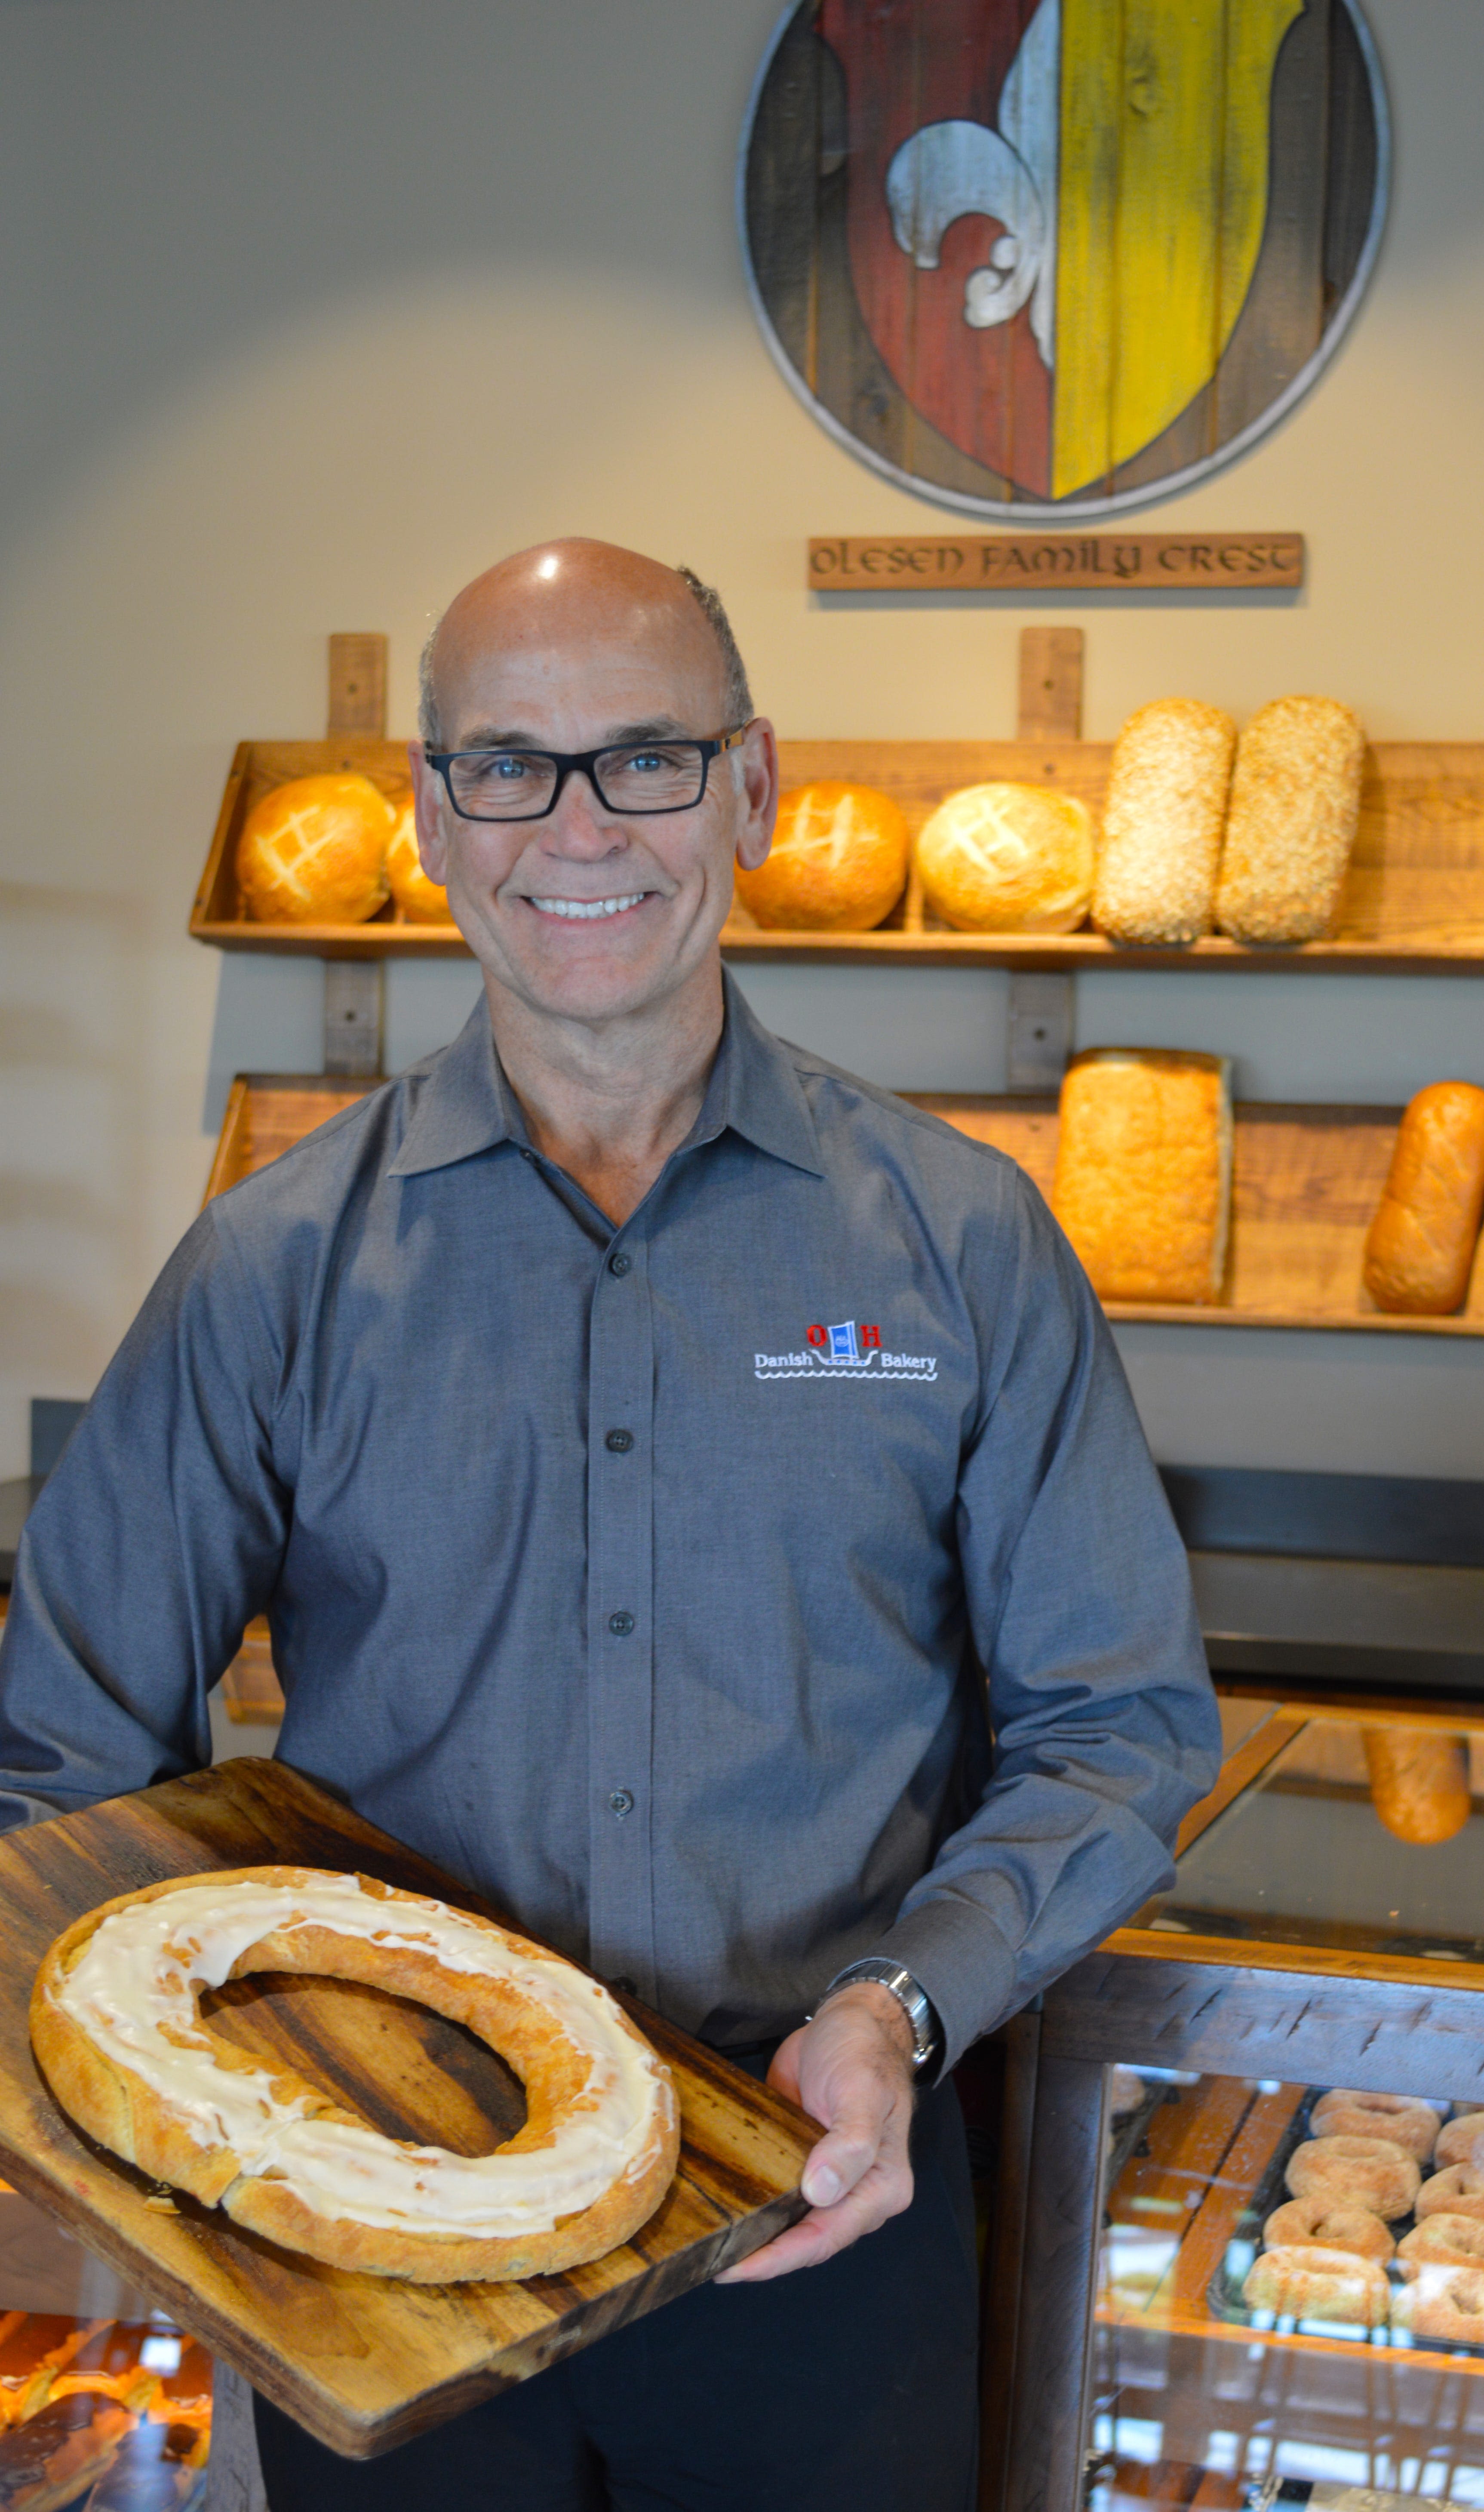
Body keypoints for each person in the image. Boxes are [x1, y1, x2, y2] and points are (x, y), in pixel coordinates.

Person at [0, 540, 1219, 2510]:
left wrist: (897, 2007)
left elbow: (1123, 1724)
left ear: (749, 786)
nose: (578, 826)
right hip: (380, 2240)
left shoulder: (961, 1239)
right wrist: (215, 2146)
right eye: (510, 764)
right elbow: (58, 1765)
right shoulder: (272, 1268)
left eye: (643, 757)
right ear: (432, 814)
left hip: (824, 2199)